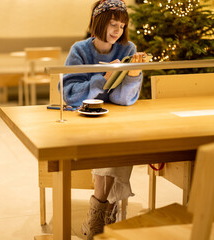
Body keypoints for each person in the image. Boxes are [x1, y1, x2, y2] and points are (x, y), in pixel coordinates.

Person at [62, 0, 147, 239]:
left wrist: (132, 75)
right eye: (112, 24)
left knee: (121, 138)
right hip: (82, 120)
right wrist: (103, 77)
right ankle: (104, 211)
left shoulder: (127, 49)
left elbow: (123, 100)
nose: (117, 30)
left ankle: (99, 212)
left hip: (115, 119)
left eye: (122, 25)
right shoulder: (79, 50)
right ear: (98, 22)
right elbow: (70, 95)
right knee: (110, 141)